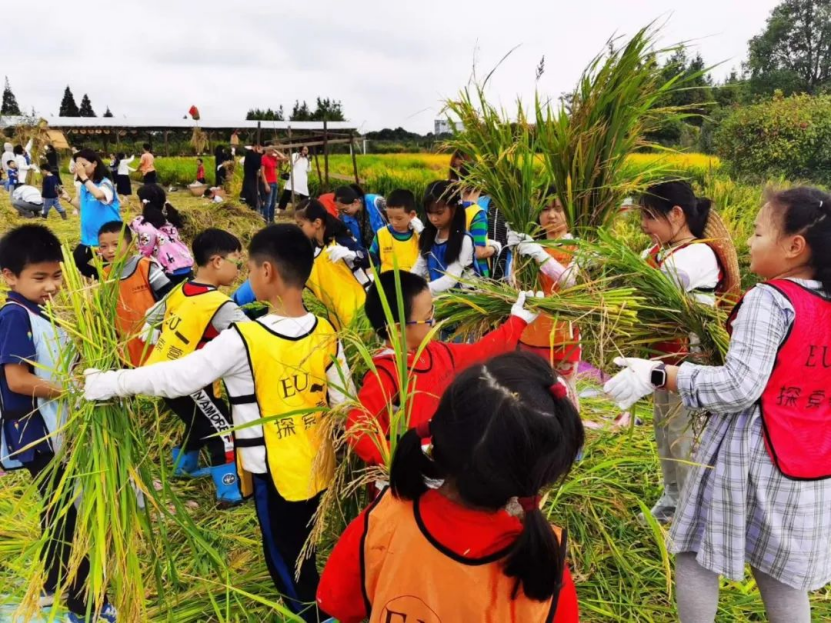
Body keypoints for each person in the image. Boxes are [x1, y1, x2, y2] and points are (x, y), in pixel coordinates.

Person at [84, 224, 353, 623]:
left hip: (273, 471)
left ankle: (311, 615)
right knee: (305, 545)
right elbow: (345, 402)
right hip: (318, 464)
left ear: (267, 272)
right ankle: (317, 601)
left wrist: (109, 382)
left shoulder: (245, 337)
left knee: (284, 559)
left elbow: (176, 377)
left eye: (248, 267)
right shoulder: (327, 332)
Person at [604, 186, 831, 623]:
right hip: (806, 461)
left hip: (747, 455)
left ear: (794, 247)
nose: (746, 242)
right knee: (781, 574)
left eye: (758, 232)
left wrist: (659, 375)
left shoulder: (771, 298)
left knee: (694, 551)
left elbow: (738, 387)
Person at [319, 351, 583, 623]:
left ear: (441, 432)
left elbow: (338, 606)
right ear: (535, 478)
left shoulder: (384, 520)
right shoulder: (541, 567)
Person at [0, 225, 116, 623]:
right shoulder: (15, 316)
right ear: (10, 277)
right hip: (37, 433)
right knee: (69, 512)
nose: (50, 286)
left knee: (58, 511)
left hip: (56, 428)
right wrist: (72, 390)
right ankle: (85, 602)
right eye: (39, 278)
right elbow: (17, 379)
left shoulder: (40, 311)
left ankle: (53, 586)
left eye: (56, 276)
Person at [348, 270, 539, 465]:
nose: (435, 321)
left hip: (446, 464)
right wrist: (407, 460)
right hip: (414, 480)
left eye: (433, 311)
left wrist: (517, 321)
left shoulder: (435, 351)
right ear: (397, 329)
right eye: (428, 317)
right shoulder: (387, 373)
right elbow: (358, 429)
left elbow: (479, 353)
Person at [633, 181, 729, 524]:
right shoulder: (656, 252)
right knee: (663, 429)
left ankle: (692, 510)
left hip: (690, 360)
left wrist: (628, 274)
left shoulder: (699, 253)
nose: (643, 225)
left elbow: (661, 287)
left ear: (676, 214)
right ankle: (672, 497)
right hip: (661, 358)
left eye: (649, 216)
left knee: (683, 435)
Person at [139, 228, 248, 505]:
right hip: (190, 379)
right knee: (222, 430)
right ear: (217, 261)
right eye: (237, 261)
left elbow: (151, 317)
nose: (240, 269)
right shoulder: (218, 303)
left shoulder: (181, 289)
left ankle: (183, 467)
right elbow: (252, 337)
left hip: (162, 374)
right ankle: (229, 491)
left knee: (198, 421)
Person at [510, 190, 581, 390]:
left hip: (563, 337)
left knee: (563, 397)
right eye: (545, 209)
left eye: (558, 209)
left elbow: (571, 281)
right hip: (530, 333)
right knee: (532, 396)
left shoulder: (578, 247)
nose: (551, 215)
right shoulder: (528, 247)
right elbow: (514, 285)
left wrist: (539, 254)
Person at [98, 221, 173, 367]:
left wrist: (154, 322)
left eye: (116, 244)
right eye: (104, 246)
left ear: (131, 244)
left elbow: (171, 296)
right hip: (125, 348)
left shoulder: (144, 266)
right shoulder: (105, 275)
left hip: (153, 340)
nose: (110, 251)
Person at [295, 199, 372, 330]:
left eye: (300, 225)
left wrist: (353, 255)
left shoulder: (340, 241)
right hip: (334, 319)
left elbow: (371, 259)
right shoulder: (310, 251)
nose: (298, 230)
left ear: (317, 223)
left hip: (359, 314)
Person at [60, 149, 121, 280]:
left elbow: (99, 195)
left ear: (94, 164)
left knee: (108, 266)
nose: (80, 168)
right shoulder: (84, 187)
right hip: (88, 239)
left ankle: (111, 283)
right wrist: (69, 199)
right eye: (78, 165)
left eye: (84, 165)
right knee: (77, 261)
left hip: (107, 238)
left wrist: (84, 177)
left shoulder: (105, 183)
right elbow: (84, 207)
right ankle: (104, 279)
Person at [412, 180, 479, 295]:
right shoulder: (429, 236)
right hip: (438, 299)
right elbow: (419, 269)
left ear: (453, 209)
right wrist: (404, 285)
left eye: (439, 213)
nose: (433, 219)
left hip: (463, 304)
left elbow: (450, 279)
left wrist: (420, 291)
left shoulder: (464, 240)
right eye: (429, 213)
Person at [131, 184, 194, 284]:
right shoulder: (169, 218)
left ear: (143, 203)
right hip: (186, 266)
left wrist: (141, 257)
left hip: (169, 272)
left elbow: (147, 240)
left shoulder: (146, 225)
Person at [368, 189, 424, 272]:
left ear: (412, 215)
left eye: (399, 218)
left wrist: (423, 233)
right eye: (390, 217)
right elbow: (371, 260)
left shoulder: (419, 235)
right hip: (387, 282)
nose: (394, 222)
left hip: (412, 282)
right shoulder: (381, 234)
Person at [277, 145, 312, 212]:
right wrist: (298, 157)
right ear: (301, 150)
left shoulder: (308, 159)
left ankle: (305, 210)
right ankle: (281, 210)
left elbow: (309, 170)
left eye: (306, 150)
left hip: (302, 179)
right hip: (294, 177)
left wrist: (309, 161)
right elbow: (290, 163)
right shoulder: (295, 155)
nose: (305, 151)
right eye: (304, 149)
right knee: (287, 193)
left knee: (304, 195)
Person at [260, 142, 288, 223]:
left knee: (273, 203)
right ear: (266, 150)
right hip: (268, 183)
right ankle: (266, 220)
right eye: (269, 150)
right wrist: (266, 184)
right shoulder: (264, 158)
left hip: (275, 182)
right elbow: (262, 173)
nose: (271, 152)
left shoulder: (273, 157)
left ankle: (272, 219)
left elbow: (285, 158)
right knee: (268, 203)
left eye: (272, 150)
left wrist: (275, 150)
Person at [240, 142, 264, 212]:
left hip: (254, 179)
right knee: (251, 197)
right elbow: (257, 164)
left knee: (255, 197)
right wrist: (259, 154)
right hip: (250, 179)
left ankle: (253, 210)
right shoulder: (250, 154)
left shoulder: (254, 154)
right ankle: (250, 211)